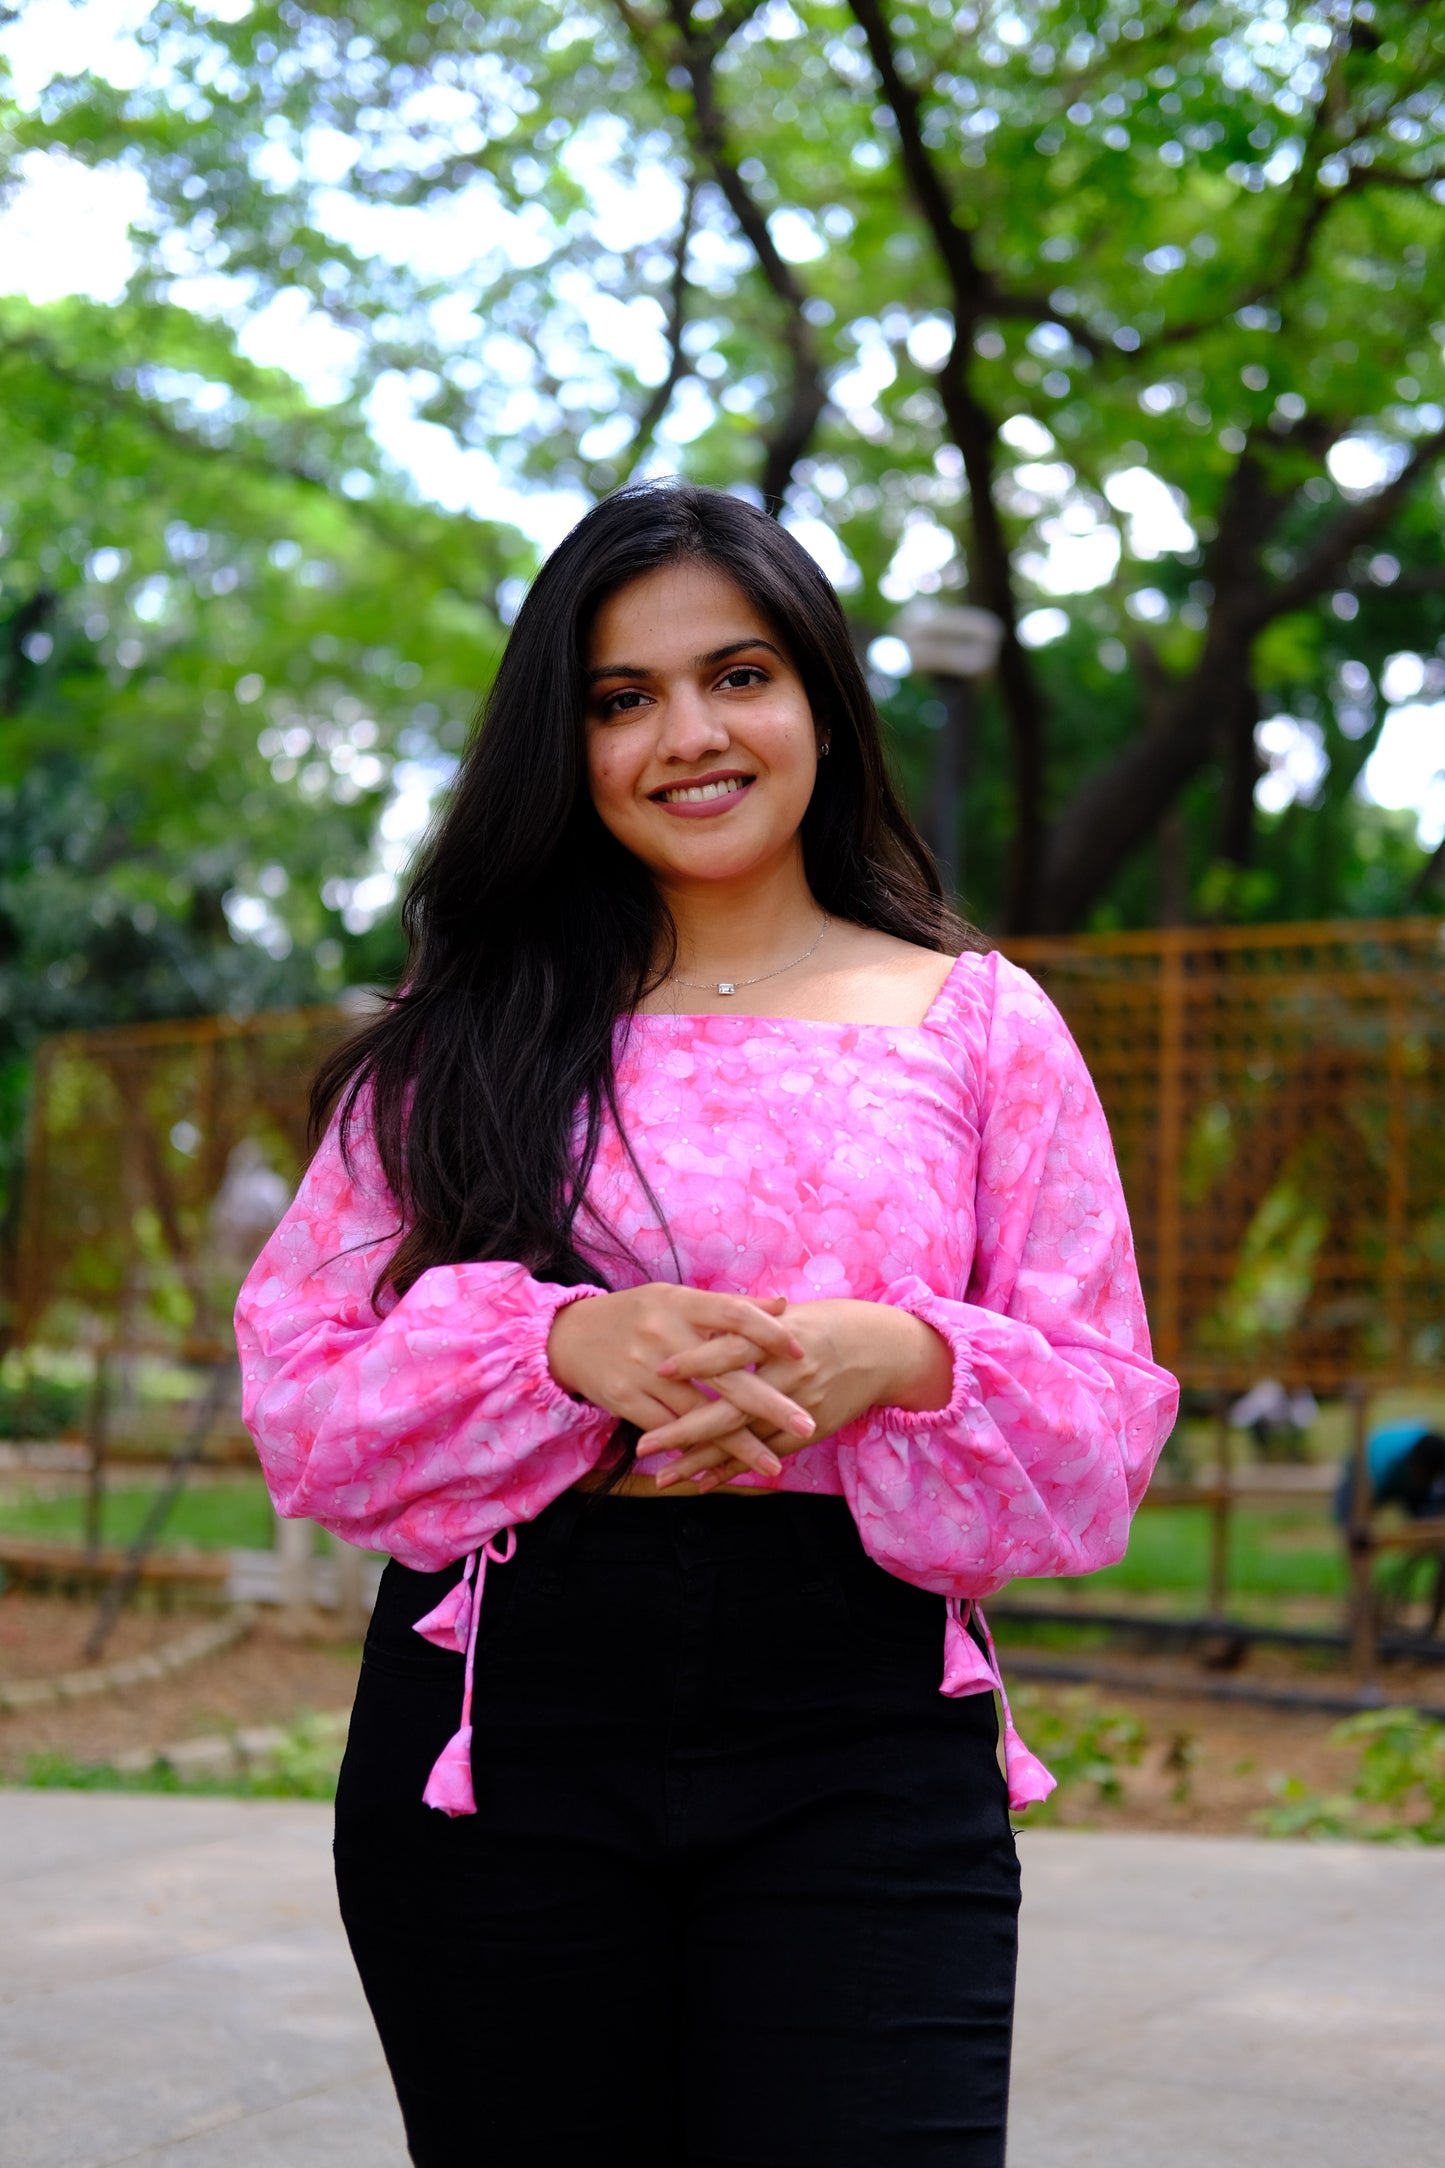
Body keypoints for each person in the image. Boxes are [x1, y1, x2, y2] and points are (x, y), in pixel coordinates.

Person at [235, 482, 1178, 2168]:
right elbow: (303, 1401)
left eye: (737, 675)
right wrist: (556, 1350)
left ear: (817, 695)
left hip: (863, 1733)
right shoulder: (463, 1037)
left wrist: (901, 1357)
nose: (690, 732)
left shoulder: (979, 1023)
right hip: (499, 1735)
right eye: (621, 698)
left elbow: (1103, 1429)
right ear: (568, 742)